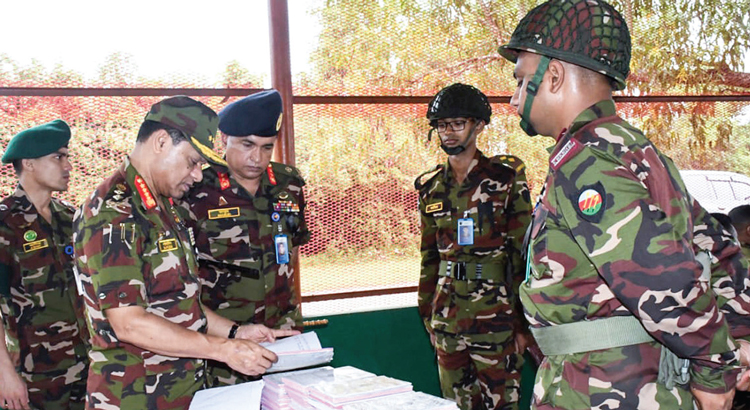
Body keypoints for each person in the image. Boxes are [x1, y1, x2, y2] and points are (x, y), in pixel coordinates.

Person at [498, 0, 749, 408]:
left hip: (604, 388)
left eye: (524, 80)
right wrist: (739, 335)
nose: (513, 99)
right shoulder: (633, 149)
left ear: (555, 76)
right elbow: (716, 244)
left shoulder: (586, 163)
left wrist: (715, 368)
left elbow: (663, 275)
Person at [73, 96, 296, 410]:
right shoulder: (115, 211)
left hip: (180, 392)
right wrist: (222, 350)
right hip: (135, 395)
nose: (195, 175)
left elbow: (179, 302)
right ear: (162, 142)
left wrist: (236, 331)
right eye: (192, 162)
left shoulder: (162, 206)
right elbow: (129, 323)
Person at [177, 90, 310, 387]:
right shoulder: (196, 190)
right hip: (225, 338)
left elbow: (291, 254)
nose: (257, 157)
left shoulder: (289, 184)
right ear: (224, 139)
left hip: (283, 334)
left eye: (267, 147)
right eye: (247, 145)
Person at [414, 83, 532, 410]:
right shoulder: (431, 188)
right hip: (448, 320)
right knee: (454, 406)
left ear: (478, 126)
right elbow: (429, 259)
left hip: (496, 320)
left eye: (457, 124)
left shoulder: (505, 178)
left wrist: (523, 326)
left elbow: (523, 255)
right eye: (441, 125)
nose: (448, 133)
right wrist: (429, 316)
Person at [0, 120, 89, 410]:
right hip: (33, 376)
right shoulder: (5, 224)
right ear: (29, 163)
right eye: (58, 157)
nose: (68, 166)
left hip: (85, 367)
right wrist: (5, 376)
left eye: (68, 157)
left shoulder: (69, 218)